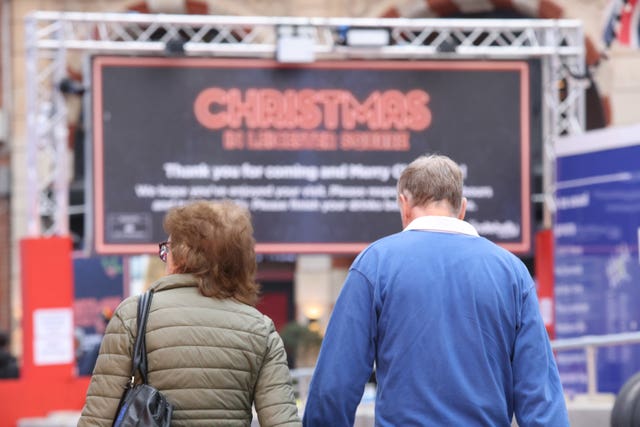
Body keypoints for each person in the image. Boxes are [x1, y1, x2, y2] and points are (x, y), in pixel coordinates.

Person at [303, 154, 569, 426]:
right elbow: (541, 398)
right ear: (462, 208)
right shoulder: (512, 273)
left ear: (404, 205)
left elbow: (333, 388)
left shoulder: (374, 265)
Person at [78, 200, 301, 426]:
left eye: (168, 249)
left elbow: (96, 419)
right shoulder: (260, 329)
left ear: (181, 255)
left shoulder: (132, 316)